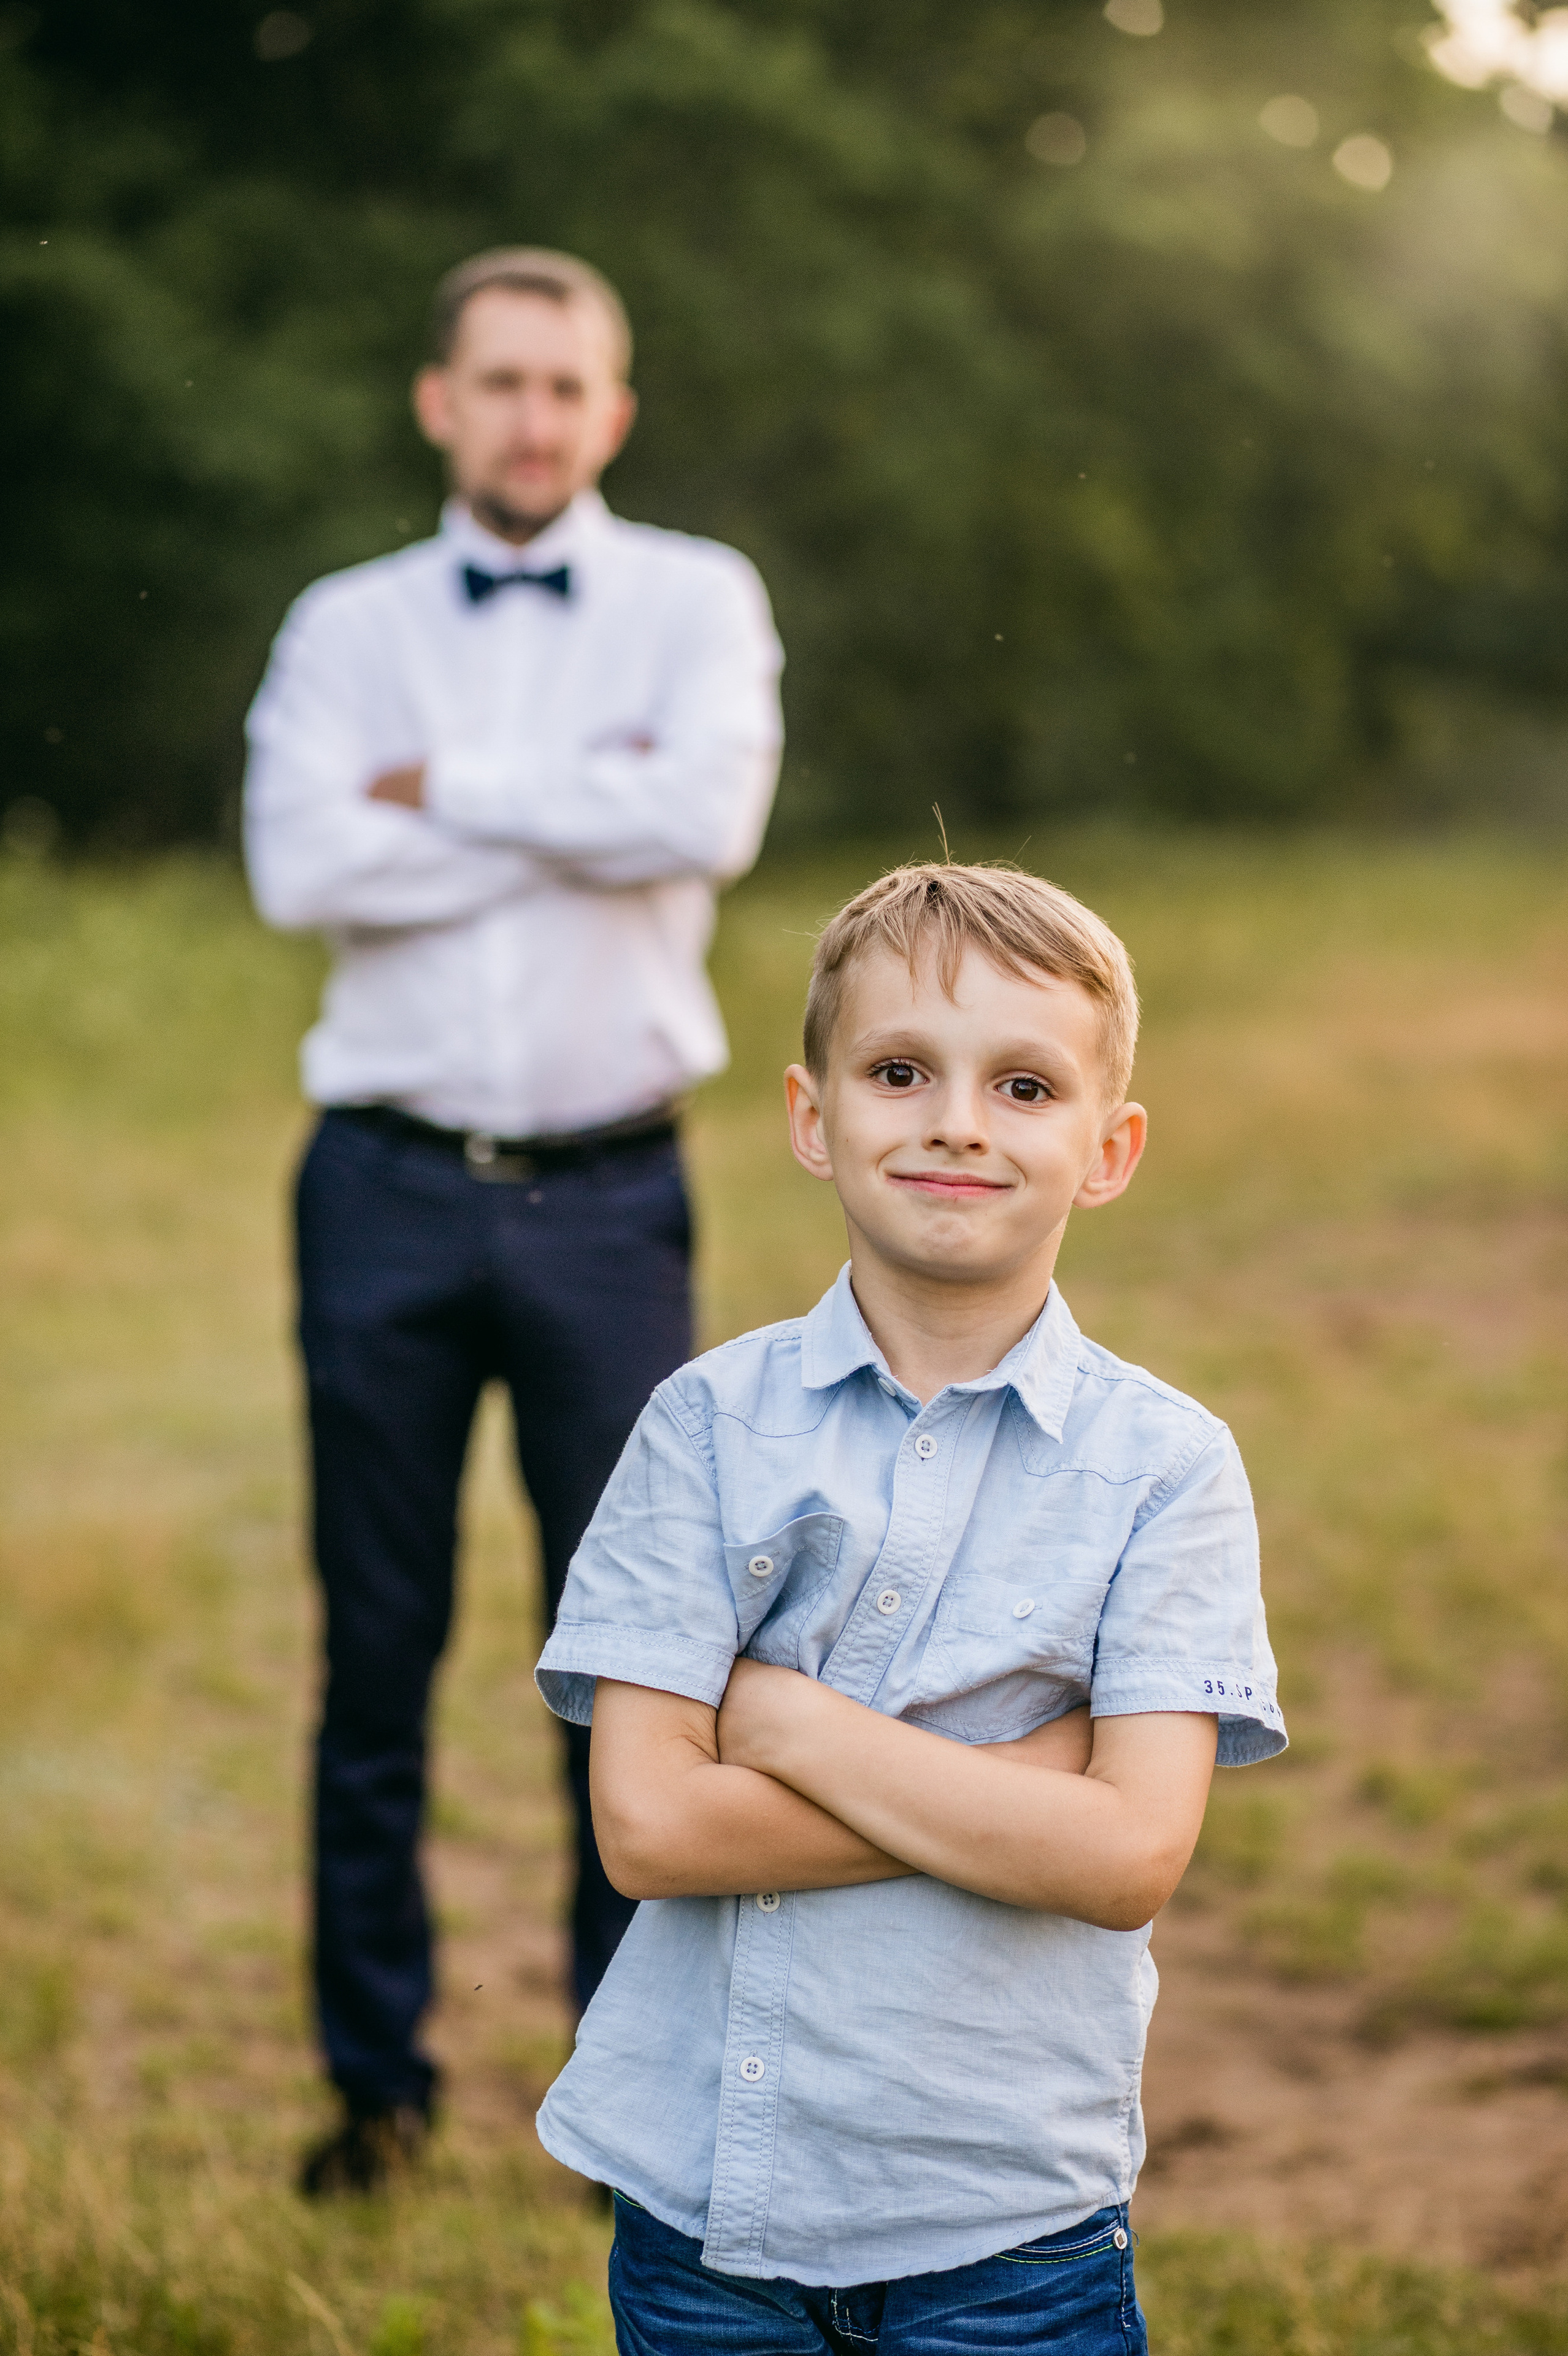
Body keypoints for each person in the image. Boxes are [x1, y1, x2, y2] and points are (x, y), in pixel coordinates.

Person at [531, 861, 1285, 2350]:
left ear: (1107, 1148)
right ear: (813, 1119)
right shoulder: (700, 1427)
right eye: (897, 1071)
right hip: (706, 2216)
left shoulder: (1165, 1469)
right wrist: (1019, 1790)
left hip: (1007, 2224)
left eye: (1022, 1085)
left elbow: (1130, 1853)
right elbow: (650, 1831)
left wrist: (785, 1721)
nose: (953, 1119)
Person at [242, 246, 784, 2196]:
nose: (535, 416)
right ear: (439, 402)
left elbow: (703, 824)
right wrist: (580, 800)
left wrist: (443, 792)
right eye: (502, 381)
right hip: (378, 1189)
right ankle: (373, 2088)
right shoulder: (342, 623)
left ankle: (621, 2100)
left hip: (609, 1198)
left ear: (612, 411)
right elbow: (302, 861)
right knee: (373, 1649)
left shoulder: (698, 601)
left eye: (568, 385)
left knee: (632, 1657)